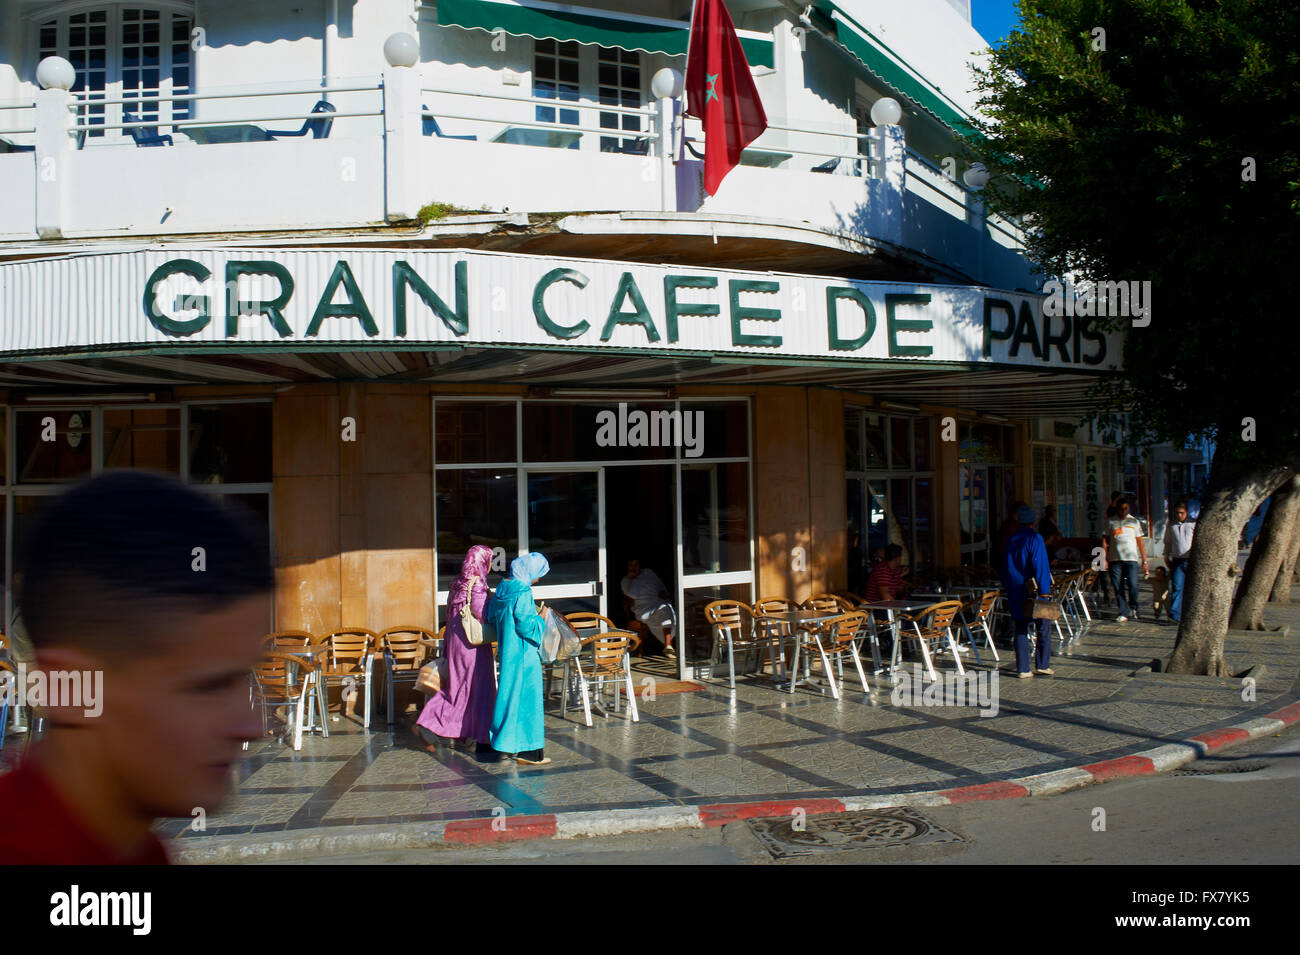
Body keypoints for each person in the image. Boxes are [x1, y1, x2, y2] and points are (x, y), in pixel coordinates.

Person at [0, 471, 272, 864]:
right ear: (71, 689)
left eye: (243, 677)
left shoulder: (141, 851)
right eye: (207, 686)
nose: (252, 727)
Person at [416, 545, 497, 754]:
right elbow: (482, 613)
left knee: (459, 687)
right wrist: (495, 603)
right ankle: (431, 722)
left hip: (454, 644)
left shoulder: (457, 583)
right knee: (478, 690)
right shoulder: (477, 584)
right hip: (473, 648)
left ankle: (465, 733)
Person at [488, 553, 550, 766]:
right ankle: (530, 751)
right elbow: (526, 626)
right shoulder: (523, 592)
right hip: (524, 654)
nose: (538, 579)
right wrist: (541, 619)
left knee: (508, 698)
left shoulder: (502, 590)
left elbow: (491, 615)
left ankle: (503, 744)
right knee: (528, 703)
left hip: (508, 653)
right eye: (537, 574)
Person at [1002, 504, 1054, 677]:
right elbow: (1041, 566)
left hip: (1015, 589)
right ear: (1033, 521)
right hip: (1035, 590)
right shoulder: (1035, 538)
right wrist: (1044, 590)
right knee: (1043, 626)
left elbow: (1005, 567)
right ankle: (1042, 664)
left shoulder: (1011, 540)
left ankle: (1023, 668)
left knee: (1020, 627)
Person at [1102, 496, 1148, 623]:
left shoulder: (1134, 522)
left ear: (1129, 508)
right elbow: (1105, 540)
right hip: (1115, 559)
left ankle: (1134, 606)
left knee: (1133, 584)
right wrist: (1104, 558)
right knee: (1118, 586)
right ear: (1117, 509)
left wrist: (1144, 561)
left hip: (1131, 559)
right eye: (1121, 509)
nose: (1123, 511)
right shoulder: (1111, 522)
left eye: (1126, 508)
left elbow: (1140, 542)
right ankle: (1123, 611)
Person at [621, 558, 677, 658]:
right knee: (663, 611)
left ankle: (668, 645)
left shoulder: (648, 573)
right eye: (631, 565)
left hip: (657, 602)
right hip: (643, 608)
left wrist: (662, 592)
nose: (633, 568)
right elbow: (631, 598)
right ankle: (668, 645)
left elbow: (659, 585)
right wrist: (633, 580)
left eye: (635, 565)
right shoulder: (626, 581)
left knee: (665, 608)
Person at [1162, 500, 1196, 624]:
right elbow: (1168, 542)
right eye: (1177, 513)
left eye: (1181, 513)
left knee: (1192, 588)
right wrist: (1166, 556)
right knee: (1177, 587)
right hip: (1177, 560)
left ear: (1186, 512)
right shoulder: (1172, 525)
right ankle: (1175, 615)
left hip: (1190, 559)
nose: (1179, 515)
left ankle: (1190, 613)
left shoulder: (1193, 524)